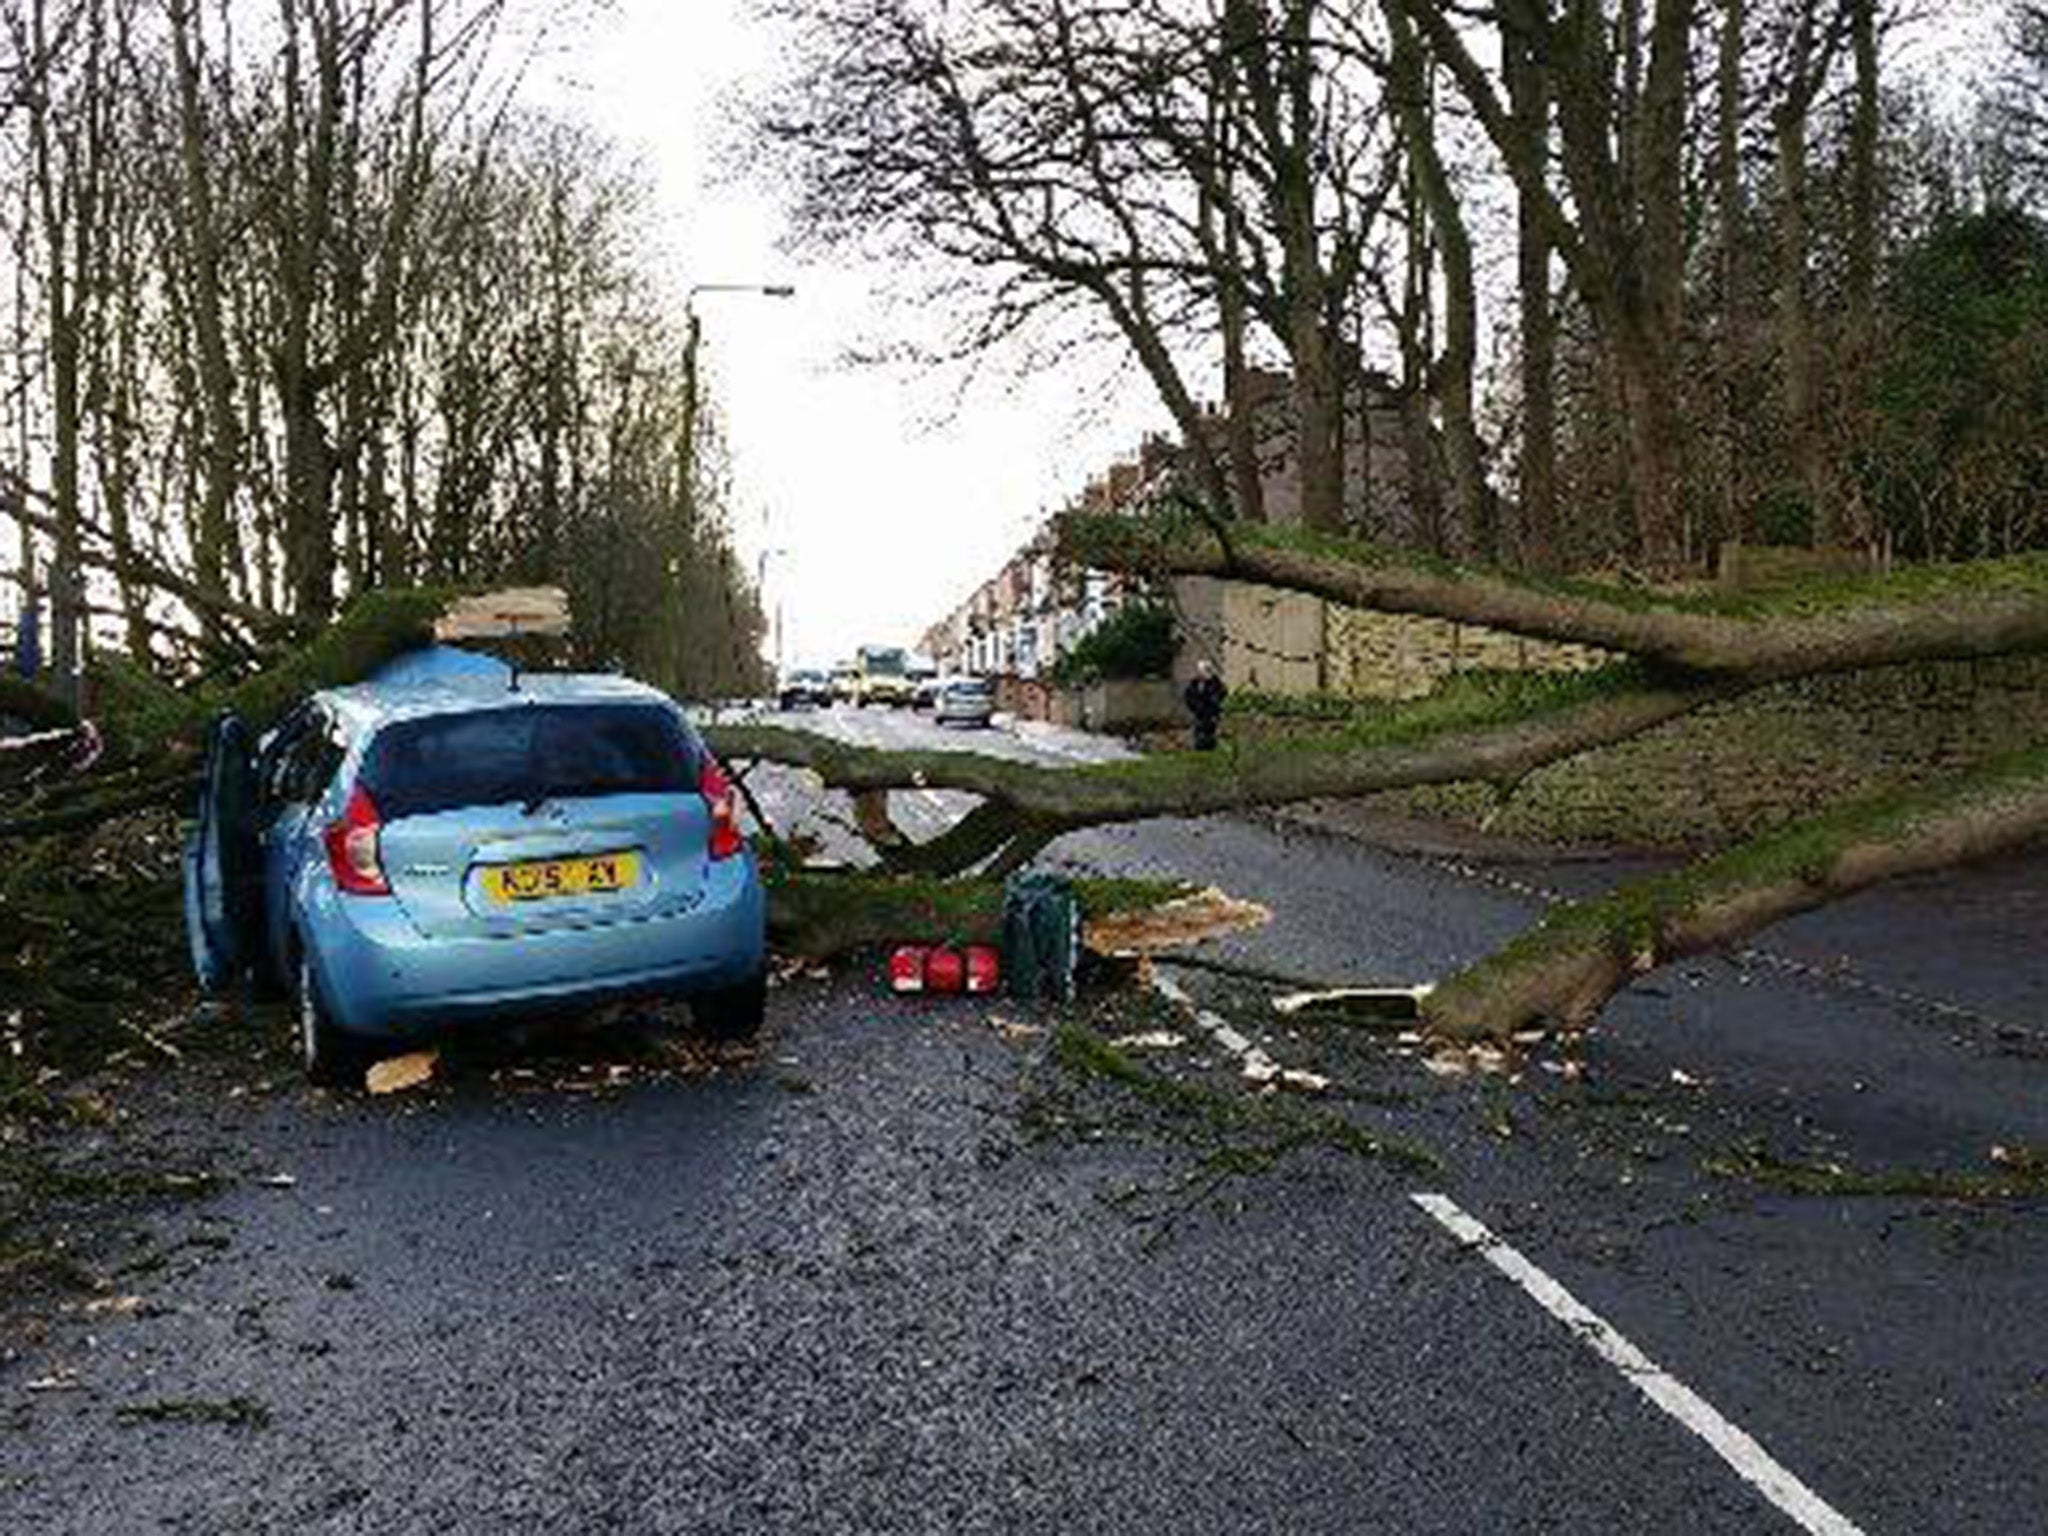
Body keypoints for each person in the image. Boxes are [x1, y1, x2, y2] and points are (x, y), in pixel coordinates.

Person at [1183, 658, 1226, 751]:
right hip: (1198, 712)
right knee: (1199, 729)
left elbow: (1220, 695)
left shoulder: (1215, 683)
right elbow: (1189, 696)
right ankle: (1199, 746)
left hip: (1211, 712)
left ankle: (1210, 746)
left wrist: (1214, 705)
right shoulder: (1194, 684)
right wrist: (1194, 706)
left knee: (1210, 729)